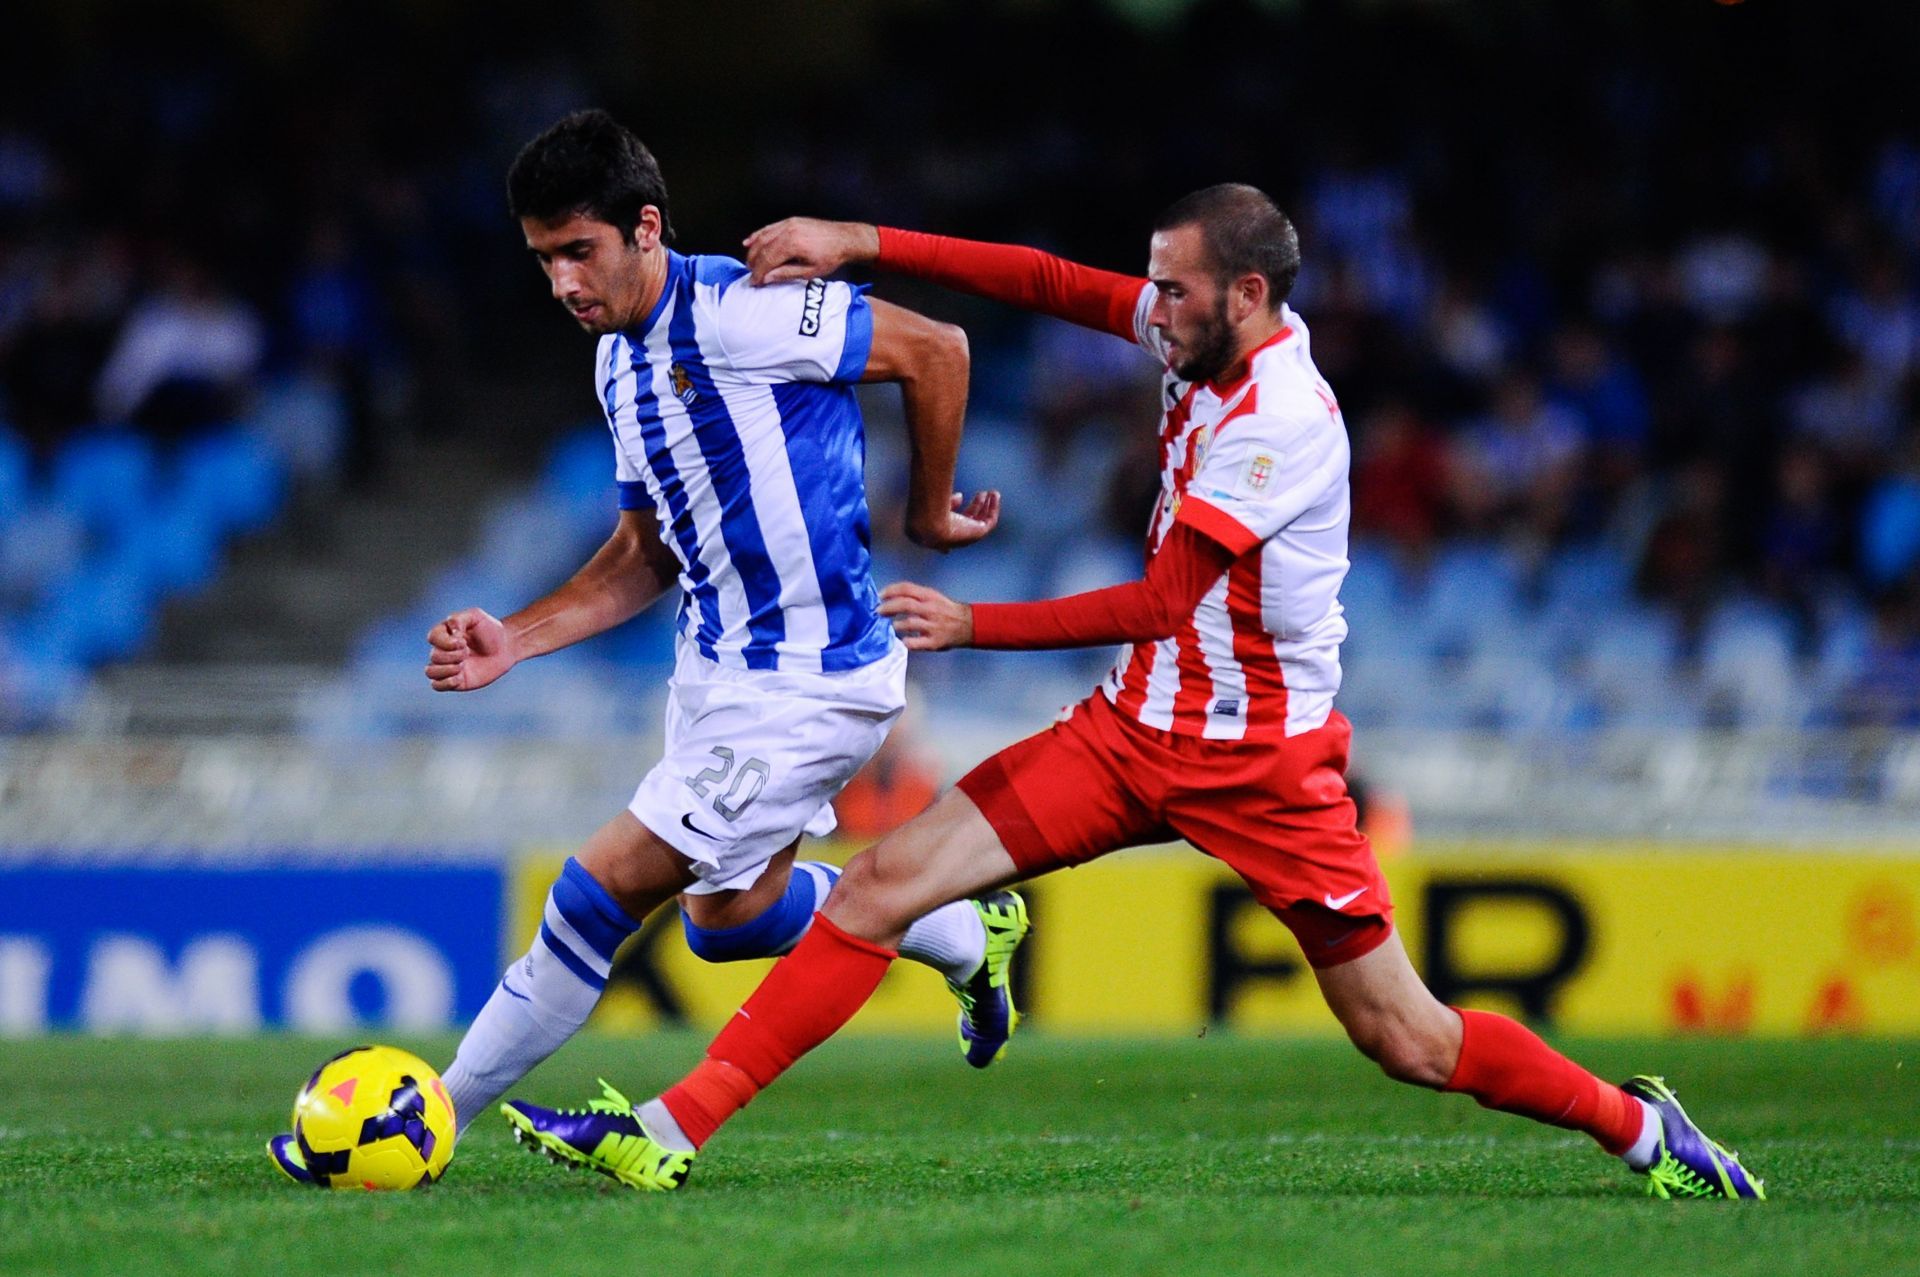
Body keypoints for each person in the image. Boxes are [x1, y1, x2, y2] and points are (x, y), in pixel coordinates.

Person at [501, 185, 1764, 1201]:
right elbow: (1045, 283)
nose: (1147, 308)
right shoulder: (1195, 332)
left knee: (1409, 1039)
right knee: (882, 883)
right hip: (1133, 728)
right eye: (1150, 283)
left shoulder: (1283, 420)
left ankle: (1637, 1128)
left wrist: (973, 622)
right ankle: (669, 1129)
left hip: (1262, 763)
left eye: (1172, 289)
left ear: (1248, 295)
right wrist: (861, 239)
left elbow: (1167, 597)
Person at [267, 110, 1034, 1185]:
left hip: (813, 678)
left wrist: (935, 508)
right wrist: (517, 637)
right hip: (714, 673)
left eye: (580, 251)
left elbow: (935, 349)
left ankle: (429, 1113)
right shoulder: (617, 367)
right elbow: (641, 553)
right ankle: (964, 927)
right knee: (729, 920)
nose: (563, 284)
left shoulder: (749, 310)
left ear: (646, 229)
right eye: (543, 261)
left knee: (599, 887)